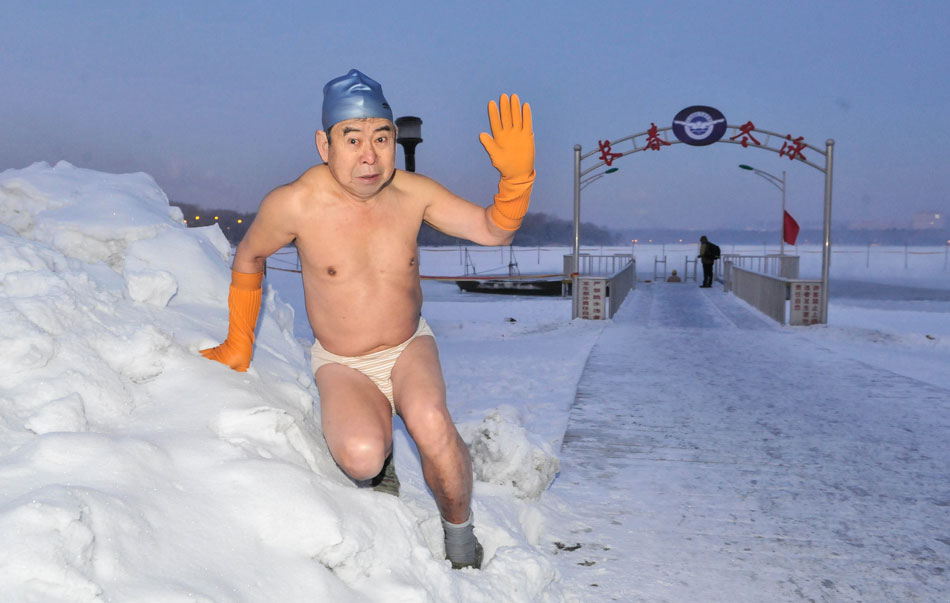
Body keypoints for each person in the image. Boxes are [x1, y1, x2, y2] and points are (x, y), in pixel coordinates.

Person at [199, 69, 534, 570]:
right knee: (361, 454)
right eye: (352, 139)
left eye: (382, 138)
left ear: (395, 140)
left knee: (431, 424)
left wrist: (516, 181)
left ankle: (459, 533)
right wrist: (238, 342)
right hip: (342, 361)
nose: (369, 156)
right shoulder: (294, 204)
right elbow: (248, 257)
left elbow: (492, 231)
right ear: (324, 143)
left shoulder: (413, 193)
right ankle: (382, 467)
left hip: (408, 346)